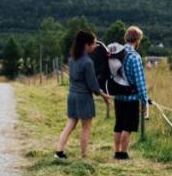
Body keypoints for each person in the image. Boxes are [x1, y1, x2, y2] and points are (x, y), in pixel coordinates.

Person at [55, 30, 110, 159]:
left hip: (72, 95)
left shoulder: (72, 59)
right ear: (86, 45)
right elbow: (93, 85)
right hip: (83, 98)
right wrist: (104, 96)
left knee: (70, 125)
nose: (96, 46)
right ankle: (84, 155)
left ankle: (59, 152)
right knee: (86, 128)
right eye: (94, 44)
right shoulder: (88, 62)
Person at [111, 26, 149, 160]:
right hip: (131, 98)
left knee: (118, 124)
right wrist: (145, 101)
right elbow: (140, 82)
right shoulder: (135, 57)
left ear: (126, 38)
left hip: (118, 96)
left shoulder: (116, 54)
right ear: (137, 40)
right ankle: (123, 153)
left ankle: (116, 152)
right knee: (128, 126)